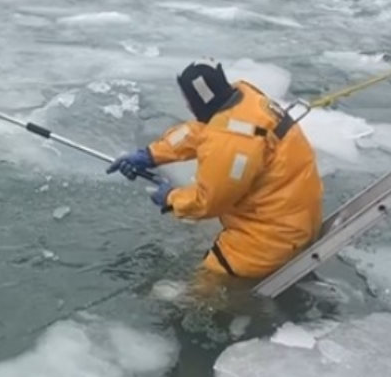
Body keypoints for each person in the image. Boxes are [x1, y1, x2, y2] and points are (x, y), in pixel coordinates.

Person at [107, 59, 323, 289]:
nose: (188, 107)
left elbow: (208, 202)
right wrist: (150, 154)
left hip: (269, 240)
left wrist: (170, 198)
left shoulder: (233, 142)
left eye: (189, 100)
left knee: (204, 291)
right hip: (296, 219)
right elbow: (201, 132)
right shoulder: (246, 101)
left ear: (201, 99)